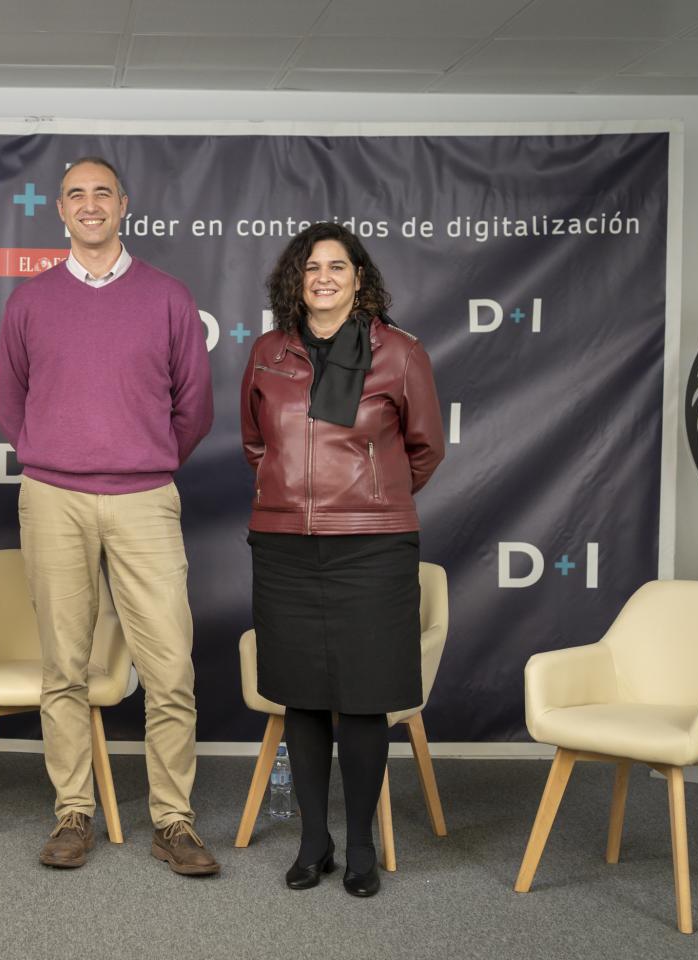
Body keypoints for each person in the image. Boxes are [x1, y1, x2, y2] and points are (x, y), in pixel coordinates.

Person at [0, 156, 218, 876]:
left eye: (102, 193)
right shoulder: (30, 301)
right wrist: (55, 455)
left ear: (124, 204)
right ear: (59, 209)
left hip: (145, 499)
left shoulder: (168, 297)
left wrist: (140, 458)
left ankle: (173, 823)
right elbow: (9, 401)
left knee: (171, 668)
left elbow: (196, 407)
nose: (89, 205)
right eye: (75, 195)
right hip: (53, 497)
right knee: (63, 665)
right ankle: (73, 813)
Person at [239, 222, 445, 896]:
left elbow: (424, 449)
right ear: (294, 282)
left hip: (372, 548)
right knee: (301, 699)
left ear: (360, 278)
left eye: (337, 266)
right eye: (310, 268)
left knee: (362, 703)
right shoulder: (269, 352)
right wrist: (292, 498)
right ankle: (313, 841)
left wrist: (366, 499)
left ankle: (360, 845)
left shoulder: (401, 353)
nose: (323, 277)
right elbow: (254, 441)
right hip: (284, 550)